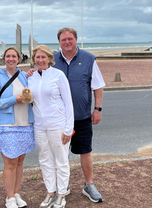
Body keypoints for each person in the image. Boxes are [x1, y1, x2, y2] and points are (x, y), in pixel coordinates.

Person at [53, 27, 105, 203]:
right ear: (59, 42)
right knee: (61, 153)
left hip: (82, 116)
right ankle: (63, 185)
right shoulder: (51, 59)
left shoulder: (89, 59)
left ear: (76, 39)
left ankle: (88, 184)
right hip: (59, 118)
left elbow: (97, 86)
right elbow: (39, 77)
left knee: (85, 151)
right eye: (63, 40)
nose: (67, 42)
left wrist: (97, 109)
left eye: (70, 39)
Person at [0, 46, 35, 208]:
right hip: (6, 125)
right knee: (10, 163)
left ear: (19, 59)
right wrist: (14, 99)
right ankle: (9, 198)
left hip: (25, 124)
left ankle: (15, 193)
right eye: (7, 56)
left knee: (20, 162)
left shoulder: (23, 76)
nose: (11, 59)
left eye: (14, 56)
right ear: (3, 59)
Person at [28, 45, 74, 208]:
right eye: (37, 57)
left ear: (49, 59)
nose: (40, 60)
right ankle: (51, 192)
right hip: (40, 126)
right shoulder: (31, 77)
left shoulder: (58, 75)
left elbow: (68, 103)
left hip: (58, 124)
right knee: (45, 160)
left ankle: (62, 194)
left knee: (61, 160)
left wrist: (69, 129)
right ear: (34, 60)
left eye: (43, 57)